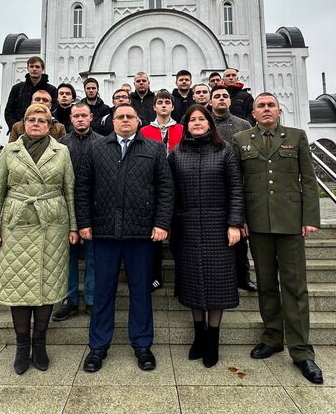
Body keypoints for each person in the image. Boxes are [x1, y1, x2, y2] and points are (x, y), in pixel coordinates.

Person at [231, 93, 323, 384]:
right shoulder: (241, 139)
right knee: (267, 284)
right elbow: (239, 183)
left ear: (279, 110)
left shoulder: (296, 137)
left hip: (290, 223)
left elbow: (308, 179)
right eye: (261, 106)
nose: (266, 109)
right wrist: (240, 218)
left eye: (271, 105)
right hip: (257, 224)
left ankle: (301, 351)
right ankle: (272, 337)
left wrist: (310, 218)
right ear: (253, 113)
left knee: (294, 287)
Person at [76, 104, 174, 373]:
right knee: (103, 292)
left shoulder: (153, 149)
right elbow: (83, 188)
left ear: (139, 121)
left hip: (141, 234)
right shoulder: (96, 149)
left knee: (141, 292)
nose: (125, 120)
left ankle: (142, 345)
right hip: (104, 233)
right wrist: (84, 222)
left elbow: (166, 189)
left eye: (130, 116)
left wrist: (162, 223)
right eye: (120, 116)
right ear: (113, 122)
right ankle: (98, 347)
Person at [0, 103, 79, 375]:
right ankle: (22, 345)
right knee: (18, 285)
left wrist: (73, 226)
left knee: (48, 283)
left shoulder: (61, 151)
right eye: (31, 120)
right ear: (24, 123)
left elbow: (69, 189)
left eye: (42, 120)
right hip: (18, 222)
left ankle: (40, 343)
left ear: (50, 125)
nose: (36, 124)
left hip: (52, 223)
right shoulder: (9, 151)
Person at [168, 105, 244, 367]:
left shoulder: (225, 151)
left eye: (202, 119)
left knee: (217, 283)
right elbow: (171, 193)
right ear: (186, 125)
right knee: (192, 283)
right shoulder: (177, 154)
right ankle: (198, 336)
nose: (197, 123)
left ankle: (213, 339)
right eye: (192, 120)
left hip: (217, 225)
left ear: (210, 124)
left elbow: (236, 188)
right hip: (187, 226)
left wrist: (235, 223)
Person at [54, 102, 102, 321]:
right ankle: (70, 299)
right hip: (67, 207)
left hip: (95, 208)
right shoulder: (61, 145)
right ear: (70, 119)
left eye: (84, 115)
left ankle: (92, 299)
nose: (80, 119)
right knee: (68, 257)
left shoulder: (102, 143)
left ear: (91, 117)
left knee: (93, 257)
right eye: (76, 116)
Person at [210, 85, 258, 292]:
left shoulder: (243, 124)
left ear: (230, 101)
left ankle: (243, 277)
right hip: (211, 188)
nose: (221, 99)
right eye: (217, 96)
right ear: (210, 101)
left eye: (224, 96)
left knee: (240, 237)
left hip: (237, 185)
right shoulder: (203, 122)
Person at [139, 89, 184, 292]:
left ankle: (182, 277)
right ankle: (155, 275)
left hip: (180, 186)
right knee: (154, 233)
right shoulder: (145, 131)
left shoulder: (182, 130)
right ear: (154, 106)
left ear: (172, 107)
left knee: (178, 234)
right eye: (160, 102)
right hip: (153, 188)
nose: (164, 105)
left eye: (167, 102)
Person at [4, 56, 58, 129]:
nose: (34, 69)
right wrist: (15, 127)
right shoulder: (17, 88)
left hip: (44, 130)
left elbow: (54, 110)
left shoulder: (52, 90)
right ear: (28, 68)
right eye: (31, 66)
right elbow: (9, 111)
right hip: (19, 131)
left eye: (37, 67)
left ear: (42, 69)